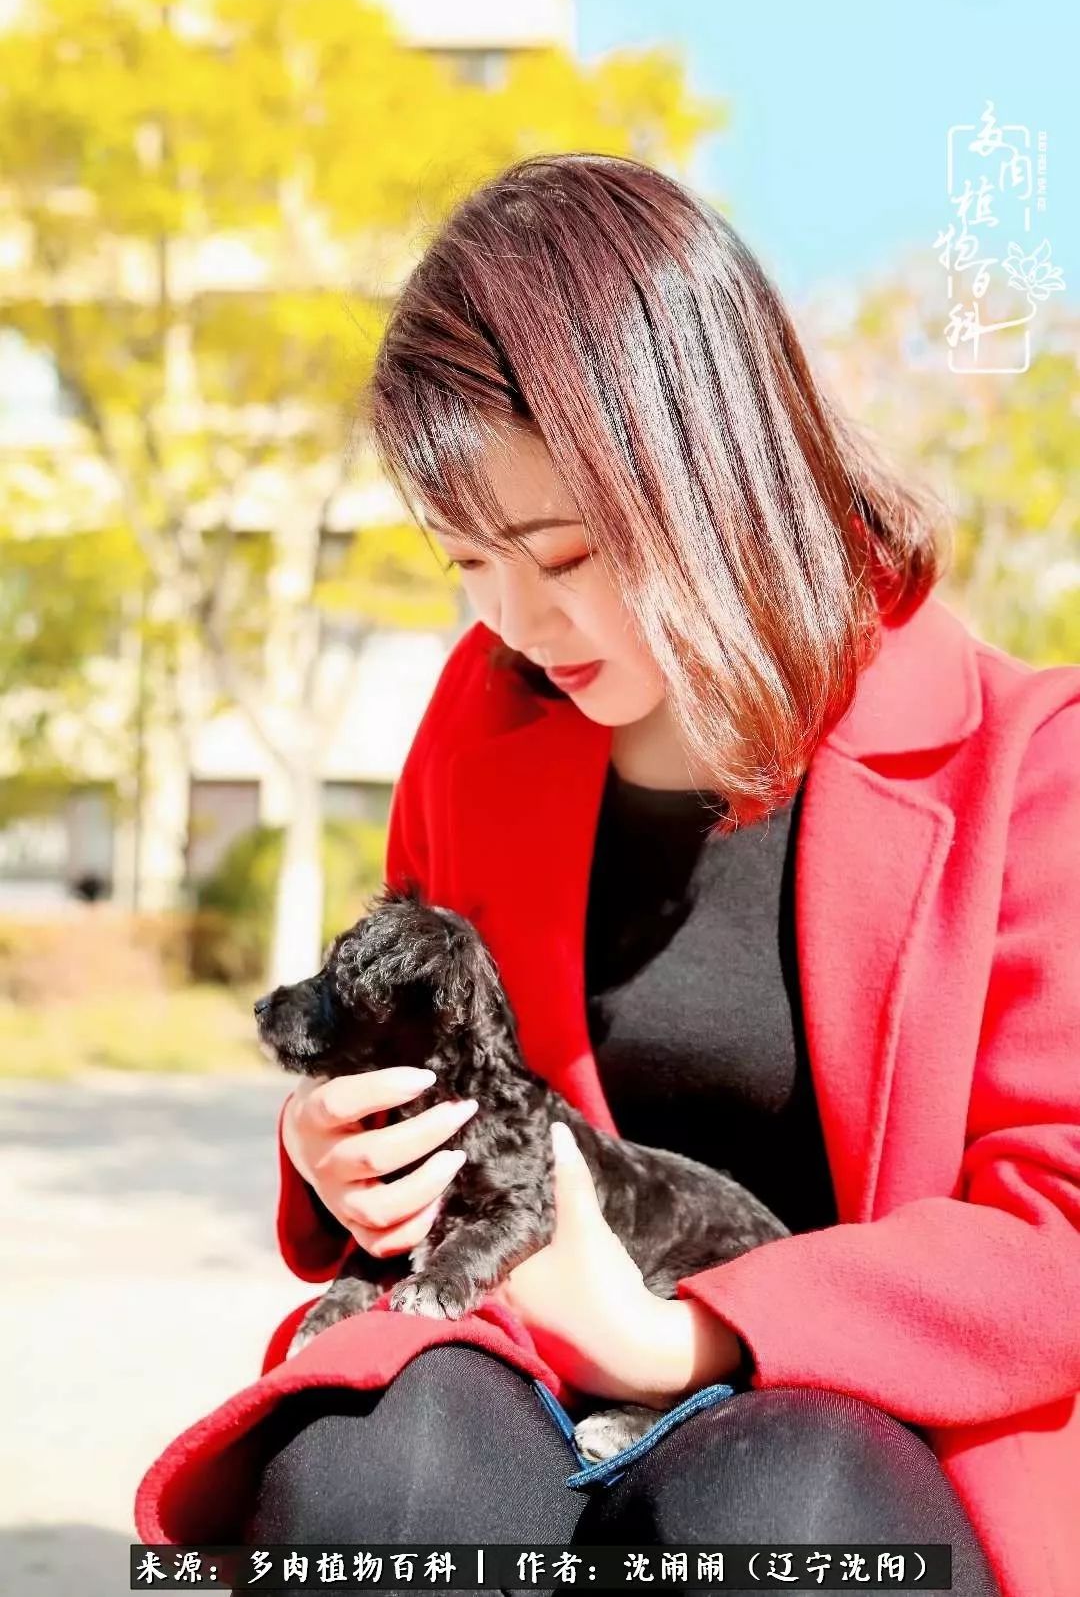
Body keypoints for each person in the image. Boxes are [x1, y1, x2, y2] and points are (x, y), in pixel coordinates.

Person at [134, 154, 1080, 1597]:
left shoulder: (1027, 760)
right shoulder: (488, 715)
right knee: (375, 1475)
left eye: (564, 553)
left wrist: (675, 1337)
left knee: (796, 1507)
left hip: (855, 1430)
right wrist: (344, 1156)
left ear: (723, 475)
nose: (516, 617)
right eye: (466, 561)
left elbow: (1054, 1227)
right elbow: (431, 1049)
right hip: (515, 1368)